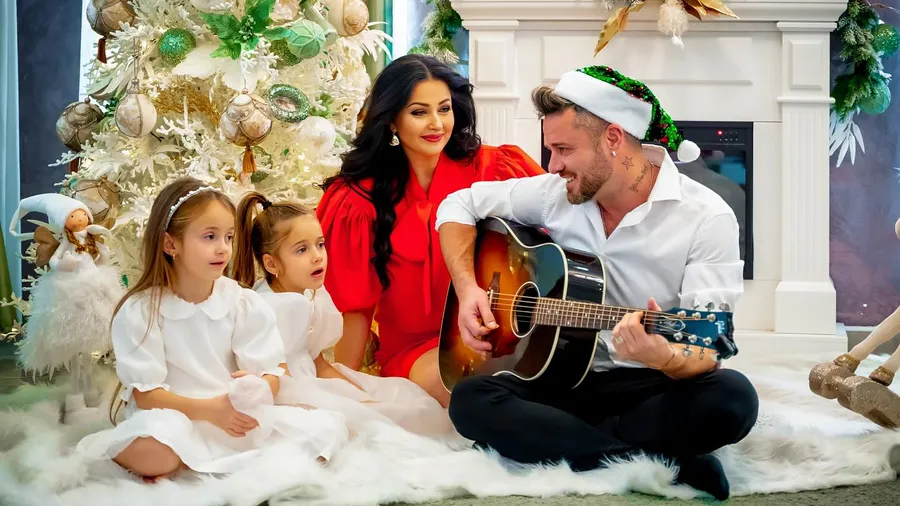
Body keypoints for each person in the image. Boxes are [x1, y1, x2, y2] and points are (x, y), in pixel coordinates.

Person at [434, 66, 759, 500]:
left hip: (650, 385)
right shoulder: (554, 194)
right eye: (551, 150)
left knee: (733, 399)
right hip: (559, 380)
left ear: (613, 139)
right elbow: (458, 204)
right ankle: (643, 460)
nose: (553, 166)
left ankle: (567, 442)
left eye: (564, 150)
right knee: (470, 398)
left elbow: (707, 346)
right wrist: (468, 289)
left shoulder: (706, 217)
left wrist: (664, 355)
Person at [75, 177, 348, 481]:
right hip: (174, 416)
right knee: (157, 450)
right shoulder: (142, 311)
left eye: (228, 237)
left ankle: (199, 459)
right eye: (209, 237)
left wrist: (259, 387)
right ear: (171, 244)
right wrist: (209, 410)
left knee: (321, 429)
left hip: (230, 417)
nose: (223, 249)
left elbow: (272, 371)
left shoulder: (240, 302)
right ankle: (166, 455)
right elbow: (146, 395)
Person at [316, 54, 544, 406]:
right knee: (477, 387)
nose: (436, 123)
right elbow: (355, 306)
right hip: (419, 350)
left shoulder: (495, 168)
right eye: (419, 112)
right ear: (392, 120)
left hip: (505, 335)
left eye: (444, 109)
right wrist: (345, 392)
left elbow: (556, 235)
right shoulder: (358, 200)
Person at [231, 191, 457, 439]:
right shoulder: (267, 309)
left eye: (320, 244)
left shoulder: (308, 296)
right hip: (289, 395)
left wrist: (360, 395)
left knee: (401, 404)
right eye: (302, 250)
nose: (317, 256)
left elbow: (318, 363)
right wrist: (346, 405)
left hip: (314, 381)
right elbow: (275, 379)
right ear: (271, 264)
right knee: (375, 425)